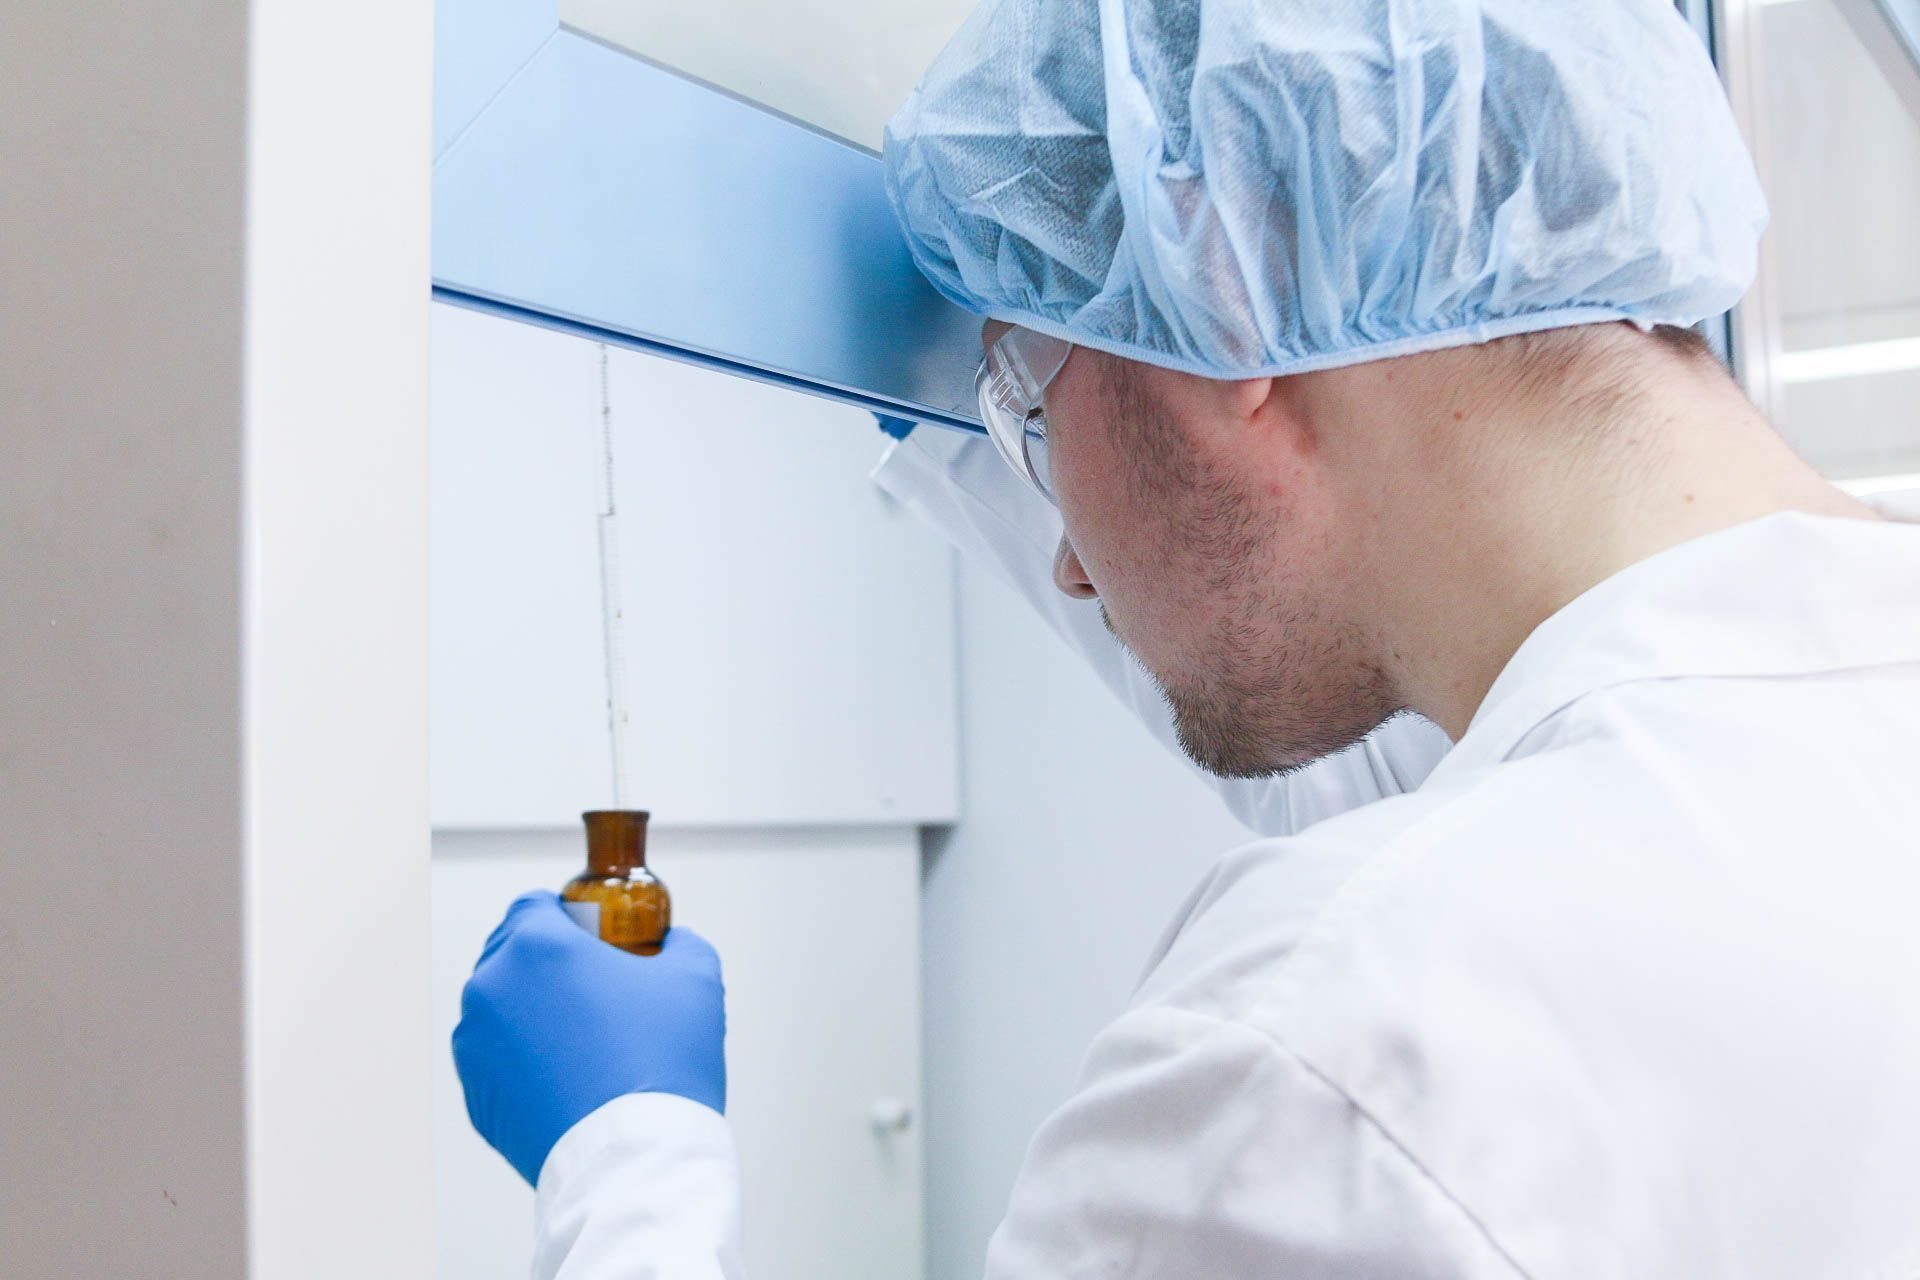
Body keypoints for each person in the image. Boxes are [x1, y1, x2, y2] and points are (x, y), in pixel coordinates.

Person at [453, 1, 1920, 1275]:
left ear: (1219, 281)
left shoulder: (1330, 1059)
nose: (1067, 562)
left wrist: (626, 1161)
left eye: (1028, 403)